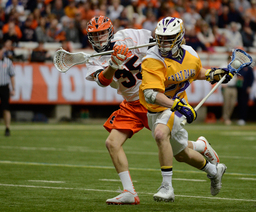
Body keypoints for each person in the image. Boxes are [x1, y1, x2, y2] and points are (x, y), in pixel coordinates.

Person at [84, 16, 221, 205]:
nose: (99, 38)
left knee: (178, 152)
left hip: (154, 98)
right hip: (131, 104)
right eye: (94, 35)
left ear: (110, 31)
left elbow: (158, 42)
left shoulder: (130, 36)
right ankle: (129, 192)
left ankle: (200, 147)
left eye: (101, 33)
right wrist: (113, 64)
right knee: (112, 143)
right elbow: (102, 81)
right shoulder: (92, 59)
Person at [139, 17, 232, 202]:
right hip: (161, 106)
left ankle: (167, 187)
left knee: (160, 134)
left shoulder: (189, 53)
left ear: (180, 37)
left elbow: (195, 72)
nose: (163, 43)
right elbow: (151, 94)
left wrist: (213, 74)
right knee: (181, 154)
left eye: (169, 38)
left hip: (175, 105)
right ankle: (213, 168)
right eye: (161, 38)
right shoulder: (152, 58)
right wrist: (175, 104)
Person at [0, 44, 15, 136]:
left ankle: (7, 128)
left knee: (6, 108)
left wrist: (14, 88)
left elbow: (12, 76)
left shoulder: (8, 62)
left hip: (4, 87)